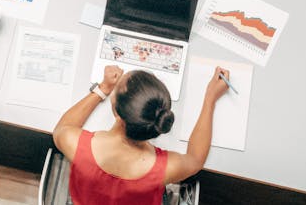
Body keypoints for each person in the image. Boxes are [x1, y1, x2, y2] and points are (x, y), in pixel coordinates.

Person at [52, 65, 230, 204]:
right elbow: (196, 160)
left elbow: (63, 127)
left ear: (116, 113)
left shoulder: (77, 145)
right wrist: (210, 99)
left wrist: (103, 88)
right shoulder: (164, 168)